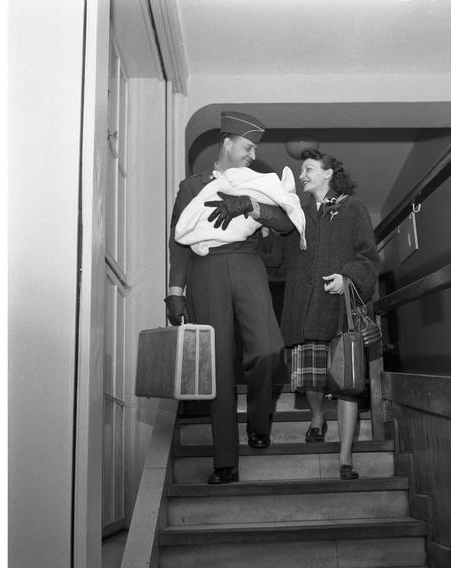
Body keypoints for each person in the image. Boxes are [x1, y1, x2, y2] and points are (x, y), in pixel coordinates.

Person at [166, 111, 293, 485]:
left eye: (254, 148)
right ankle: (225, 460)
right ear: (227, 143)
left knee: (269, 347)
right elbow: (179, 241)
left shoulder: (256, 183)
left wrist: (251, 206)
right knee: (217, 366)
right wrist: (176, 291)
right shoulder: (192, 186)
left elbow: (285, 223)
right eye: (248, 146)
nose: (253, 155)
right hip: (206, 272)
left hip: (248, 263)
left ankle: (258, 421)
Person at [279, 148, 378, 480]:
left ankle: (346, 458)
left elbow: (368, 256)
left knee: (347, 384)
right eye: (302, 170)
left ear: (328, 174)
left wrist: (347, 276)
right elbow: (279, 260)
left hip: (339, 312)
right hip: (304, 309)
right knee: (311, 378)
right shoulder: (297, 214)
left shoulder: (353, 208)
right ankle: (318, 417)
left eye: (308, 169)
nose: (303, 174)